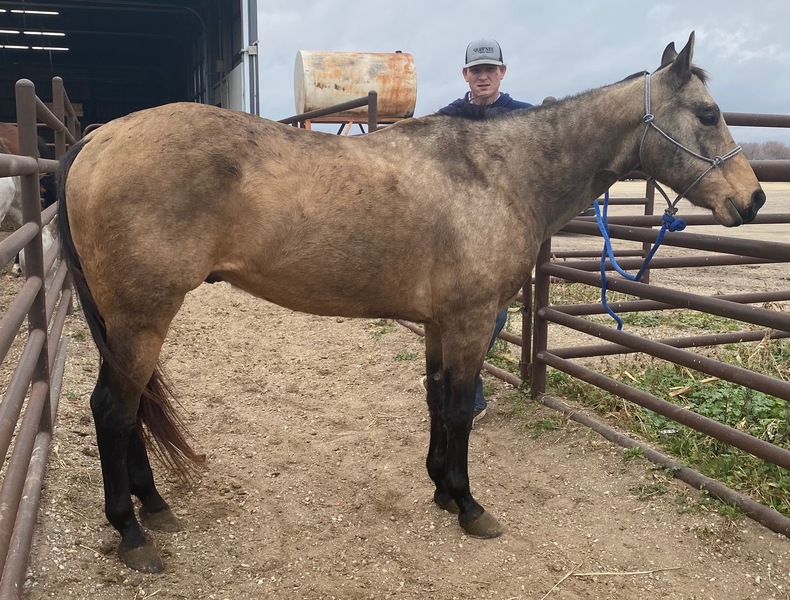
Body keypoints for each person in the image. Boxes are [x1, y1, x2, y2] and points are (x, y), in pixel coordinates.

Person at [436, 38, 534, 426]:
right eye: (476, 70)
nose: (483, 76)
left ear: (502, 72)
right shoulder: (449, 117)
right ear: (465, 75)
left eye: (490, 69)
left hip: (500, 238)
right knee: (457, 313)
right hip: (455, 233)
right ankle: (465, 393)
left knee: (493, 316)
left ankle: (459, 383)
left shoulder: (523, 118)